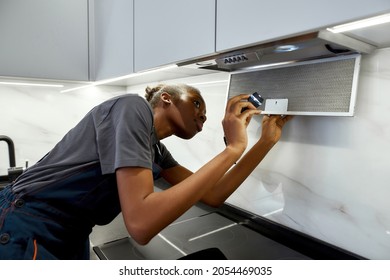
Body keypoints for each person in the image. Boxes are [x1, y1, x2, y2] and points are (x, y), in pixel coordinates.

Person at [0, 84, 292, 259]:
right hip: (25, 222)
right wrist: (232, 148)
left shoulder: (154, 149)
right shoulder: (132, 107)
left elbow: (213, 194)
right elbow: (140, 224)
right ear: (166, 98)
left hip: (70, 233)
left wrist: (264, 142)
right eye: (196, 103)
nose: (203, 115)